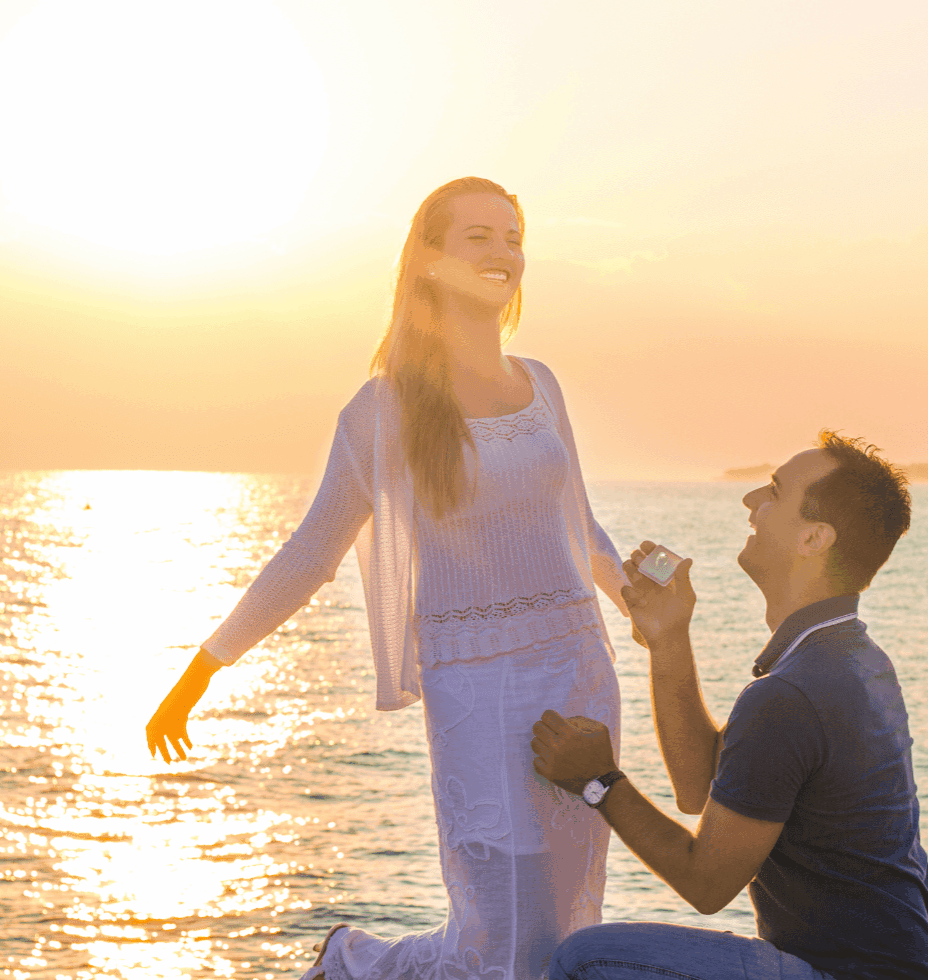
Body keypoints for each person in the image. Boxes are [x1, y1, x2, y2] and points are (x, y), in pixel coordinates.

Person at [144, 177, 630, 980]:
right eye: (479, 236)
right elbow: (308, 554)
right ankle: (355, 964)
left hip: (576, 667)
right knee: (495, 937)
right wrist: (202, 669)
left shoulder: (542, 385)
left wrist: (639, 607)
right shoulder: (382, 412)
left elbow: (579, 524)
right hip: (473, 689)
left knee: (563, 926)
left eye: (513, 236)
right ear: (430, 261)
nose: (503, 252)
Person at [532, 432, 928, 980]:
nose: (751, 499)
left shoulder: (793, 694)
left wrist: (597, 782)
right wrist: (668, 639)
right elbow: (701, 787)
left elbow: (706, 884)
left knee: (581, 961)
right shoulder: (849, 657)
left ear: (813, 539)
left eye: (774, 492)